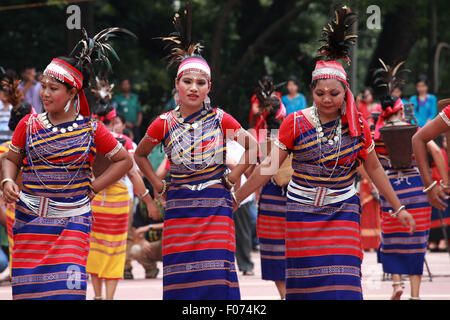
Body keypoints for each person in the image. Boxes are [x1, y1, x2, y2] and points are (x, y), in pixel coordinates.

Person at [233, 7, 415, 300]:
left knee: (343, 284)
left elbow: (376, 169)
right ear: (311, 91)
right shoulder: (295, 122)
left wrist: (399, 206)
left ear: (345, 92)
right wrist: (237, 198)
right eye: (320, 94)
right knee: (306, 288)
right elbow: (268, 167)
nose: (327, 99)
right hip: (301, 213)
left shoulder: (358, 127)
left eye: (334, 93)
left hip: (343, 210)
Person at [134, 4, 257, 300]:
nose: (193, 88)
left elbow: (253, 147)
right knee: (181, 274)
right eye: (187, 81)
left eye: (200, 83)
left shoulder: (220, 118)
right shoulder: (163, 123)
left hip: (216, 205)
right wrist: (156, 184)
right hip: (179, 205)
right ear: (176, 84)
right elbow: (138, 156)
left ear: (208, 87)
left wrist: (233, 178)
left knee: (215, 275)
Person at [1, 28, 134, 300]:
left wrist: (95, 186)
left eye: (54, 88)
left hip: (73, 221)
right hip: (30, 220)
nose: (45, 94)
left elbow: (124, 160)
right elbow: (11, 159)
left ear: (73, 92)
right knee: (30, 294)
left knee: (67, 293)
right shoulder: (28, 124)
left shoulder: (91, 128)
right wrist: (7, 180)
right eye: (44, 87)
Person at [86, 82, 159, 299]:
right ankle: (109, 297)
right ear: (113, 120)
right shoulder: (124, 143)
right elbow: (134, 175)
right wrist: (148, 201)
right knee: (115, 250)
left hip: (93, 199)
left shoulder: (87, 140)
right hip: (118, 202)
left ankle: (98, 296)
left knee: (95, 249)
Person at [372, 95, 444, 300]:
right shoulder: (414, 129)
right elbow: (437, 152)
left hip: (390, 189)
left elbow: (367, 162)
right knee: (417, 241)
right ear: (401, 110)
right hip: (417, 187)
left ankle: (396, 284)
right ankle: (415, 295)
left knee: (391, 239)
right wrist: (443, 182)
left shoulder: (376, 133)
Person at [254, 86, 288, 299]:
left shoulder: (261, 140)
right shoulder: (296, 134)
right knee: (298, 250)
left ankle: (285, 296)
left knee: (274, 252)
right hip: (296, 198)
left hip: (270, 200)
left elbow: (255, 172)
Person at [227, 139, 255, 277]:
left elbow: (249, 170)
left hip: (242, 195)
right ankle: (223, 265)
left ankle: (246, 265)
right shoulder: (213, 141)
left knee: (242, 232)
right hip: (222, 195)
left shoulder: (239, 146)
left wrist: (238, 196)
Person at [112, 78, 143, 143]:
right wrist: (126, 123)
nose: (126, 86)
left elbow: (139, 111)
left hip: (135, 126)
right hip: (124, 126)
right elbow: (114, 113)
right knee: (125, 143)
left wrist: (138, 123)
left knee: (138, 143)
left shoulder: (135, 97)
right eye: (124, 84)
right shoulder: (117, 98)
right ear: (120, 86)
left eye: (127, 84)